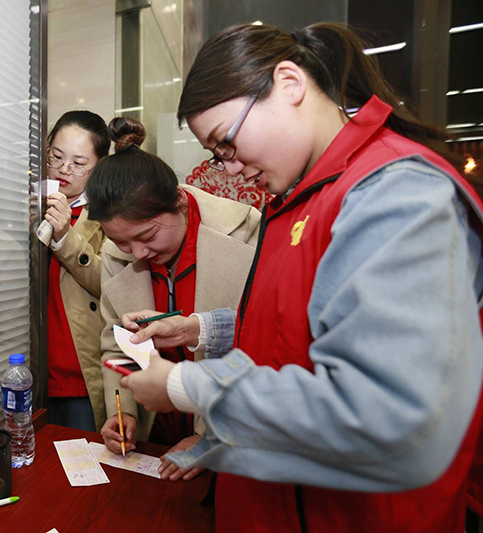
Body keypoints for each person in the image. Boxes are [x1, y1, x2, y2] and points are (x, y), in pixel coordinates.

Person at [117, 22, 483, 532]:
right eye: (217, 155)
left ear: (289, 83)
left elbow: (389, 417)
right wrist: (200, 329)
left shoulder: (395, 195)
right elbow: (298, 325)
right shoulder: (299, 197)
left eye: (227, 143)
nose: (230, 169)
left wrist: (187, 385)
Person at [85, 116, 261, 480]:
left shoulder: (247, 233)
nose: (138, 253)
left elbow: (261, 345)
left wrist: (208, 435)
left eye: (148, 235)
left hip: (235, 435)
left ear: (180, 202)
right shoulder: (119, 257)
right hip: (159, 434)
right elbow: (118, 344)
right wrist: (123, 411)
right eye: (120, 241)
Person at [42, 110, 111, 432]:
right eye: (56, 157)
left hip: (77, 372)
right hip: (29, 365)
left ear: (99, 166)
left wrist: (64, 237)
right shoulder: (29, 203)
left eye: (79, 163)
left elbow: (110, 284)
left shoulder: (108, 213)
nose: (64, 169)